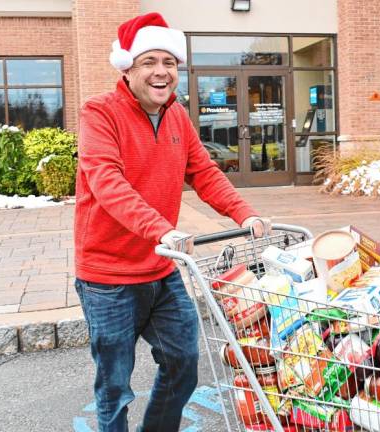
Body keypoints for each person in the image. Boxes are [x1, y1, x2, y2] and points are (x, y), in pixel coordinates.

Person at [73, 12, 269, 432]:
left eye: (170, 62)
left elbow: (203, 172)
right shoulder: (98, 113)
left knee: (183, 365)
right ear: (127, 68)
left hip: (160, 268)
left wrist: (245, 213)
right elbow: (108, 182)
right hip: (108, 277)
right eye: (149, 62)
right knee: (114, 386)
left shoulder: (177, 114)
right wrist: (160, 227)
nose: (162, 72)